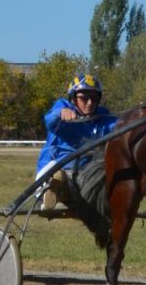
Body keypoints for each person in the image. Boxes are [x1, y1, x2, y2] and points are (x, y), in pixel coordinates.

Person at [35, 74, 117, 209]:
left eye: (94, 98)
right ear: (73, 98)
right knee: (57, 175)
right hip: (58, 168)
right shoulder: (62, 106)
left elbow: (121, 126)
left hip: (86, 174)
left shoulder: (103, 116)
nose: (90, 102)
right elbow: (49, 119)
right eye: (84, 98)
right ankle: (49, 195)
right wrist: (61, 113)